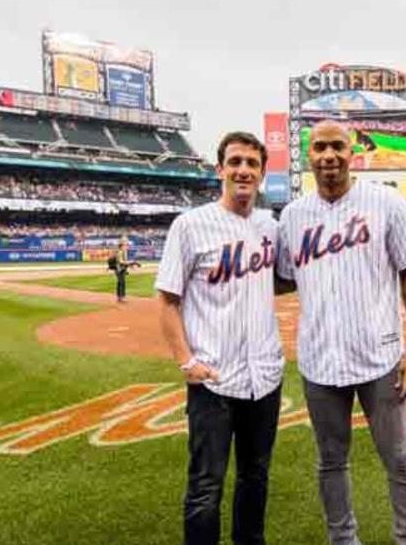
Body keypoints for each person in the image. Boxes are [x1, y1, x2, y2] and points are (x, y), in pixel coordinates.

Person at [277, 119, 406, 545]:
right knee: (330, 462)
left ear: (352, 153)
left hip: (381, 358)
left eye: (337, 148)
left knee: (399, 460)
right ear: (308, 155)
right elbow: (286, 278)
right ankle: (342, 540)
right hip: (320, 360)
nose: (329, 156)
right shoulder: (292, 216)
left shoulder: (386, 203)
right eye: (320, 147)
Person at [155, 131, 284, 545]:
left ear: (262, 174)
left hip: (263, 377)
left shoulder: (270, 225)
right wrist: (187, 362)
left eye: (252, 163)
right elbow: (167, 300)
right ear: (220, 169)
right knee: (205, 488)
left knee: (255, 477)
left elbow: (281, 280)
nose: (243, 170)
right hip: (213, 378)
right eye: (235, 162)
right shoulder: (190, 225)